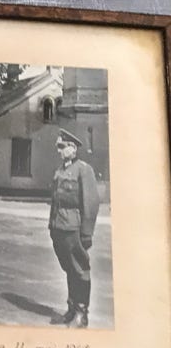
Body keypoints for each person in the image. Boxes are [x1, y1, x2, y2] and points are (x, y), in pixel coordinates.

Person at [48, 128, 100, 328]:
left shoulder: (83, 170)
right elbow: (55, 201)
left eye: (61, 146)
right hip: (59, 227)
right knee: (69, 268)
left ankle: (81, 313)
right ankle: (71, 309)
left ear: (73, 148)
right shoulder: (60, 170)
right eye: (58, 146)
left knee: (80, 269)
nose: (58, 150)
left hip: (74, 228)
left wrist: (87, 233)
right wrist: (52, 225)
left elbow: (91, 203)